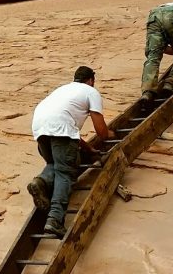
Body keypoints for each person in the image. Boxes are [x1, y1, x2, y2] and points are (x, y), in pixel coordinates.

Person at [29, 66, 114, 238]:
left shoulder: (63, 90)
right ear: (91, 80)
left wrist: (89, 149)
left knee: (55, 163)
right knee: (65, 172)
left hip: (39, 127)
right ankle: (55, 220)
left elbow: (69, 132)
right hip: (60, 129)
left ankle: (41, 182)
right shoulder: (90, 91)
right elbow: (101, 132)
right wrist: (110, 134)